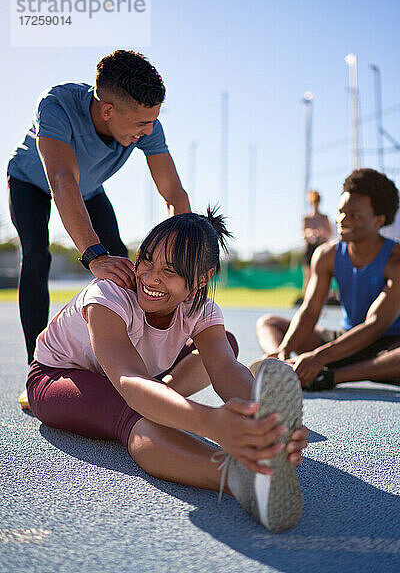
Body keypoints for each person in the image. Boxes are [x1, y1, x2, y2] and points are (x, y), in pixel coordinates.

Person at [25, 209, 308, 533]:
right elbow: (129, 382)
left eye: (169, 271)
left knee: (224, 344)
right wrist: (210, 421)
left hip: (134, 375)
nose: (150, 277)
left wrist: (266, 426)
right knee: (135, 412)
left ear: (203, 278)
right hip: (59, 378)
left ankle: (181, 405)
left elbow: (224, 367)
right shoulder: (108, 294)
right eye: (145, 260)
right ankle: (238, 477)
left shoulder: (202, 308)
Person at [7, 49, 190, 364]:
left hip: (88, 190)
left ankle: (137, 356)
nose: (149, 131)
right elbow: (63, 180)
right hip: (30, 183)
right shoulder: (56, 104)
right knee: (36, 255)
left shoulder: (147, 125)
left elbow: (173, 192)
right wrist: (93, 254)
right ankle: (37, 365)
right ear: (107, 110)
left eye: (153, 122)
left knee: (123, 263)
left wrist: (187, 255)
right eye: (142, 124)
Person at [252, 169, 400, 391]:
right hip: (345, 340)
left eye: (354, 216)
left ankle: (330, 377)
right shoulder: (326, 255)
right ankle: (282, 366)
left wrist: (319, 359)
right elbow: (310, 312)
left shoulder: (395, 261)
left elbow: (375, 325)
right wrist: (285, 348)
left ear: (379, 220)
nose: (342, 220)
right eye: (341, 212)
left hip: (387, 345)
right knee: (269, 323)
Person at [302, 190, 332, 291]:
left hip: (322, 247)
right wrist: (309, 233)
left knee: (322, 273)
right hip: (310, 248)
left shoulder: (324, 218)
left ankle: (324, 296)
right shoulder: (307, 218)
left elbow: (330, 233)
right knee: (308, 274)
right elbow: (303, 234)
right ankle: (305, 296)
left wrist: (322, 232)